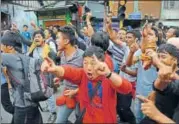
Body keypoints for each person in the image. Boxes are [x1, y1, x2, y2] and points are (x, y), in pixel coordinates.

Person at [41, 46, 132, 123]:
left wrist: (109, 74)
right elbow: (68, 72)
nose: (88, 67)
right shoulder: (82, 75)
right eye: (85, 63)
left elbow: (127, 88)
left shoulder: (109, 78)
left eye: (93, 63)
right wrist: (55, 68)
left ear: (101, 63)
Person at [1, 31, 42, 124]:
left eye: (2, 45)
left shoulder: (9, 57)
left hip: (23, 108)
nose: (1, 47)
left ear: (10, 46)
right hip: (32, 103)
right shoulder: (22, 57)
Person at [125, 24, 159, 123]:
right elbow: (129, 64)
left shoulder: (161, 53)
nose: (148, 37)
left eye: (150, 34)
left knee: (151, 119)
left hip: (154, 95)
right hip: (140, 92)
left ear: (156, 38)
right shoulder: (140, 52)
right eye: (145, 35)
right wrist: (131, 52)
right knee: (138, 119)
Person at [139, 44, 179, 124]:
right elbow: (158, 86)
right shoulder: (162, 73)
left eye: (163, 57)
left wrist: (156, 60)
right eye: (158, 57)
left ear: (175, 60)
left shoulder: (174, 75)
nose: (160, 60)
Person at [54, 26, 84, 123]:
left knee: (80, 118)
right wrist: (60, 78)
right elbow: (66, 72)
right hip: (68, 93)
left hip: (82, 93)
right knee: (60, 121)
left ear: (66, 41)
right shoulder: (62, 55)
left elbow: (90, 79)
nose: (56, 40)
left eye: (58, 38)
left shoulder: (83, 56)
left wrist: (77, 91)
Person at [28, 30, 57, 123]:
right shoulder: (33, 49)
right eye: (35, 37)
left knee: (49, 94)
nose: (36, 38)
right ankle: (48, 107)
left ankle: (53, 113)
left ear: (43, 39)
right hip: (37, 76)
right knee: (40, 92)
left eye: (39, 36)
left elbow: (54, 60)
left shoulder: (48, 49)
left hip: (47, 75)